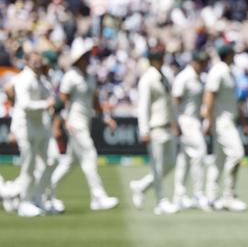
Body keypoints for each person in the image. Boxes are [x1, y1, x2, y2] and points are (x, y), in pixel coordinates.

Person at [50, 39, 119, 210]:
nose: (89, 58)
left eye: (88, 55)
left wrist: (106, 118)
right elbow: (62, 102)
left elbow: (95, 102)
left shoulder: (89, 77)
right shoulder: (70, 77)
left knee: (69, 162)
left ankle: (46, 188)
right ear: (78, 59)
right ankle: (98, 197)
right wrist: (57, 125)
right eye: (85, 56)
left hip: (85, 123)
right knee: (90, 155)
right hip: (74, 124)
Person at [129, 46, 179, 215]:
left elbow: (170, 103)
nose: (162, 59)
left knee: (170, 164)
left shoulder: (164, 76)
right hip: (155, 127)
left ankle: (141, 186)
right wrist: (144, 130)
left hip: (167, 127)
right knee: (157, 167)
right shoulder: (147, 79)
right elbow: (143, 107)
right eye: (159, 57)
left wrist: (175, 123)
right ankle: (160, 201)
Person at [10, 51, 57, 217]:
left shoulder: (40, 79)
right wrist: (46, 104)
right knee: (29, 166)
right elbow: (24, 104)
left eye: (40, 61)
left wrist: (49, 102)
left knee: (52, 160)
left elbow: (50, 95)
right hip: (26, 126)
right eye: (35, 61)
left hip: (40, 126)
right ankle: (24, 202)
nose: (38, 64)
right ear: (27, 61)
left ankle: (38, 197)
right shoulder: (23, 79)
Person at [203, 43, 248, 211]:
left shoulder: (228, 72)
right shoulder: (219, 71)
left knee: (219, 160)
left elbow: (234, 101)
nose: (235, 55)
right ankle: (228, 196)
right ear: (227, 55)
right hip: (221, 121)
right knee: (236, 154)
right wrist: (208, 121)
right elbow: (209, 95)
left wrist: (243, 121)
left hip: (229, 120)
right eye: (232, 53)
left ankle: (211, 197)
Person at [171, 51, 210, 210]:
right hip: (185, 121)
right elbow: (175, 101)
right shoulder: (184, 77)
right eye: (199, 62)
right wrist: (175, 123)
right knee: (200, 153)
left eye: (203, 63)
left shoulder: (198, 78)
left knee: (184, 160)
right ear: (193, 62)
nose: (202, 66)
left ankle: (178, 196)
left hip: (194, 121)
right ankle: (198, 193)